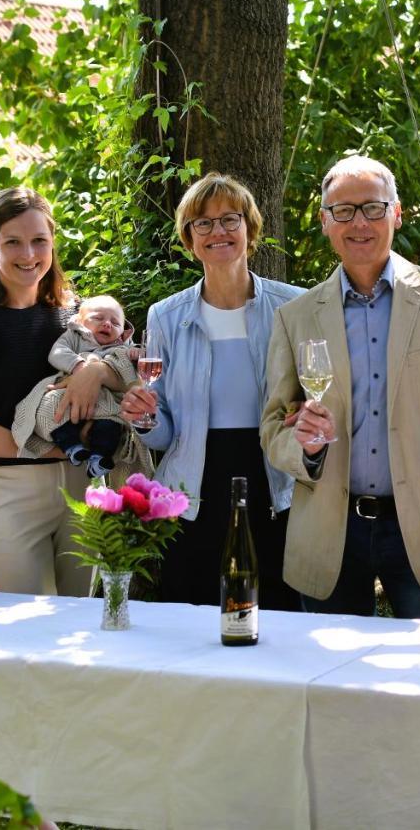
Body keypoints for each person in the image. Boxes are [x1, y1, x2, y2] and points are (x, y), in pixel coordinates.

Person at [260, 155, 420, 618]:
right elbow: (273, 428)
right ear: (326, 223)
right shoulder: (296, 316)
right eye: (342, 211)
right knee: (331, 683)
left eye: (372, 207)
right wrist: (303, 446)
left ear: (396, 213)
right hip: (330, 531)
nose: (358, 223)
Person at [120, 173, 305, 610]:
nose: (217, 231)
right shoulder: (165, 316)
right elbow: (165, 433)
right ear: (189, 238)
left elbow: (312, 396)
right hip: (195, 486)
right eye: (202, 223)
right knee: (196, 611)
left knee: (277, 610)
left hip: (272, 478)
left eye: (229, 219)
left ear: (250, 228)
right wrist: (145, 418)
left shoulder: (292, 306)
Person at [0, 187, 126, 596]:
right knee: (26, 626)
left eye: (39, 240)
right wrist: (57, 449)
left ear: (53, 242)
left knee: (80, 622)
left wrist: (94, 368)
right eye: (13, 242)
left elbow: (124, 375)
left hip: (81, 484)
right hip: (9, 489)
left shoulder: (75, 316)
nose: (29, 253)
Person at [11, 295, 150, 480]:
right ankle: (72, 447)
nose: (107, 324)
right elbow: (57, 353)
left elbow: (136, 371)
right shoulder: (76, 335)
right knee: (49, 408)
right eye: (98, 318)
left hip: (107, 401)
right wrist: (80, 367)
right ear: (79, 321)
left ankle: (100, 458)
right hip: (71, 392)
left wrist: (137, 354)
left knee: (111, 425)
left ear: (123, 332)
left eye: (115, 323)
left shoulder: (123, 345)